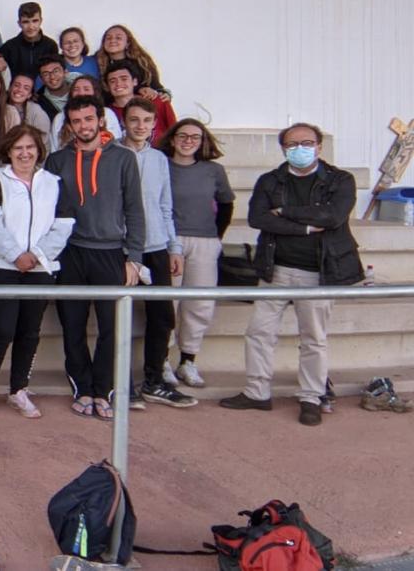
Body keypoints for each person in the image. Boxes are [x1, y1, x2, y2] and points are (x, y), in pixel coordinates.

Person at [220, 123, 362, 427]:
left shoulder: (340, 180)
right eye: (292, 144)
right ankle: (257, 391)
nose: (299, 149)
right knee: (259, 333)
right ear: (283, 149)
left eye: (306, 143)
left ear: (319, 146)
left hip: (319, 272)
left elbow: (333, 217)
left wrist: (284, 212)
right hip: (276, 269)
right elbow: (259, 218)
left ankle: (311, 396)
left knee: (313, 338)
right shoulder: (271, 181)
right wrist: (307, 226)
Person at [44, 97, 146, 421]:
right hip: (71, 252)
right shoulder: (57, 160)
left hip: (111, 253)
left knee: (110, 328)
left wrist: (135, 257)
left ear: (100, 120)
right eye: (77, 121)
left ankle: (105, 390)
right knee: (72, 326)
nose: (83, 126)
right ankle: (82, 388)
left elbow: (134, 209)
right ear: (69, 125)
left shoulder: (124, 158)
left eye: (89, 119)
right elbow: (47, 211)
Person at [0, 125, 74, 419]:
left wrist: (37, 256)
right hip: (1, 267)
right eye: (18, 148)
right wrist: (15, 255)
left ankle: (19, 390)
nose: (24, 153)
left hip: (40, 268)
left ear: (39, 150)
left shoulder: (54, 182)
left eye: (30, 147)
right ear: (8, 151)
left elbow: (64, 224)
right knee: (2, 328)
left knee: (29, 331)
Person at [119, 98, 195, 408]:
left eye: (146, 120)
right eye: (134, 119)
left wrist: (173, 247)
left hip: (156, 246)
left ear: (154, 124)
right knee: (119, 315)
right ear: (124, 121)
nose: (140, 126)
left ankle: (153, 379)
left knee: (162, 315)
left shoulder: (159, 160)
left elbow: (165, 206)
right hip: (122, 248)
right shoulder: (111, 156)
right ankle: (121, 383)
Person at [158, 119, 235, 388]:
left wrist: (216, 236)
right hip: (169, 241)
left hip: (204, 240)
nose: (188, 141)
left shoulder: (214, 170)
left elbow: (226, 205)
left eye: (195, 137)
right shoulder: (161, 165)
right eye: (183, 135)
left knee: (199, 303)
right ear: (172, 138)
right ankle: (163, 361)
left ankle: (188, 360)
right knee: (168, 304)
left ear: (203, 142)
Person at [105, 60, 176, 146]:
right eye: (112, 81)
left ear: (135, 81)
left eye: (124, 79)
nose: (118, 83)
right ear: (107, 86)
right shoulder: (107, 114)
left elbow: (175, 132)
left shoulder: (157, 101)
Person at [48, 75, 123, 152]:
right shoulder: (60, 117)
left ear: (95, 93)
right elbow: (54, 150)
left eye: (86, 89)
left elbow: (116, 144)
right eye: (76, 89)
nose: (81, 93)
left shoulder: (107, 113)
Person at [97, 24, 167, 97]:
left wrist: (165, 94)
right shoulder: (95, 62)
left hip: (141, 104)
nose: (112, 40)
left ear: (128, 43)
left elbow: (157, 87)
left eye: (118, 38)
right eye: (108, 38)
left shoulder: (142, 62)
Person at [0, 2, 58, 83]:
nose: (31, 26)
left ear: (41, 21)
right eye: (26, 22)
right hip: (18, 92)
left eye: (35, 21)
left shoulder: (51, 45)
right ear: (19, 23)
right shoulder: (9, 47)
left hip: (43, 92)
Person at [34, 54, 72, 121]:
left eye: (56, 71)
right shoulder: (38, 102)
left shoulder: (81, 88)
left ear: (65, 72)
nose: (52, 77)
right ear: (41, 79)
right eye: (46, 74)